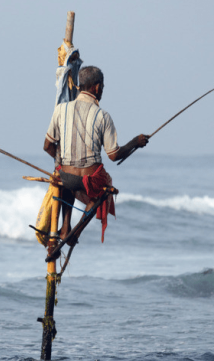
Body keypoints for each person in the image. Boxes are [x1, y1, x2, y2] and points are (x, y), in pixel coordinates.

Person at [43, 65, 149, 242]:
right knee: (103, 189)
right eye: (103, 87)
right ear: (97, 87)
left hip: (67, 177)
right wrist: (135, 142)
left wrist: (61, 162)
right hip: (90, 179)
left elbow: (47, 146)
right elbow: (114, 155)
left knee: (66, 179)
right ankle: (75, 232)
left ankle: (65, 228)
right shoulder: (103, 116)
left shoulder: (60, 110)